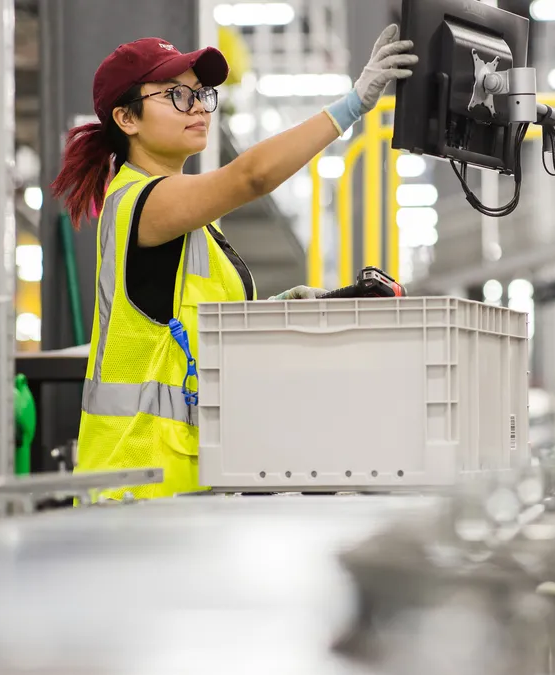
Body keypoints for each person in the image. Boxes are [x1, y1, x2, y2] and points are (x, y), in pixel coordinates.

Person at [51, 27, 418, 499]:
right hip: (137, 483)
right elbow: (253, 176)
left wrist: (276, 310)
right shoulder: (140, 202)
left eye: (202, 94)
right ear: (127, 117)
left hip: (182, 481)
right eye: (177, 95)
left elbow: (194, 331)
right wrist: (351, 107)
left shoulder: (195, 223)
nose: (200, 106)